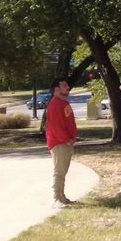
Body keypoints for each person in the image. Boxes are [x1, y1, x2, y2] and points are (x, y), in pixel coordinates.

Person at [44, 77, 78, 205]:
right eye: (64, 86)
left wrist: (72, 137)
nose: (67, 87)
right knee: (59, 171)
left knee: (63, 171)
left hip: (66, 142)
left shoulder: (63, 103)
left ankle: (62, 196)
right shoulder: (55, 104)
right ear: (56, 89)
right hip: (59, 143)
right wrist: (67, 139)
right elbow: (55, 126)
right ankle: (57, 198)